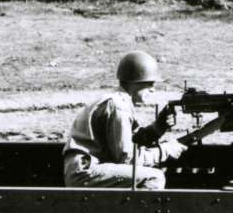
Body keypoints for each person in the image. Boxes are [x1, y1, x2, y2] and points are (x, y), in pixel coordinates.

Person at [63, 50, 187, 188]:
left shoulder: (119, 101)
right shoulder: (118, 106)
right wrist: (165, 151)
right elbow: (126, 158)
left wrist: (158, 127)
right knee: (155, 177)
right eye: (150, 84)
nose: (153, 89)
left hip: (88, 169)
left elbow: (131, 141)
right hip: (85, 173)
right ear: (136, 82)